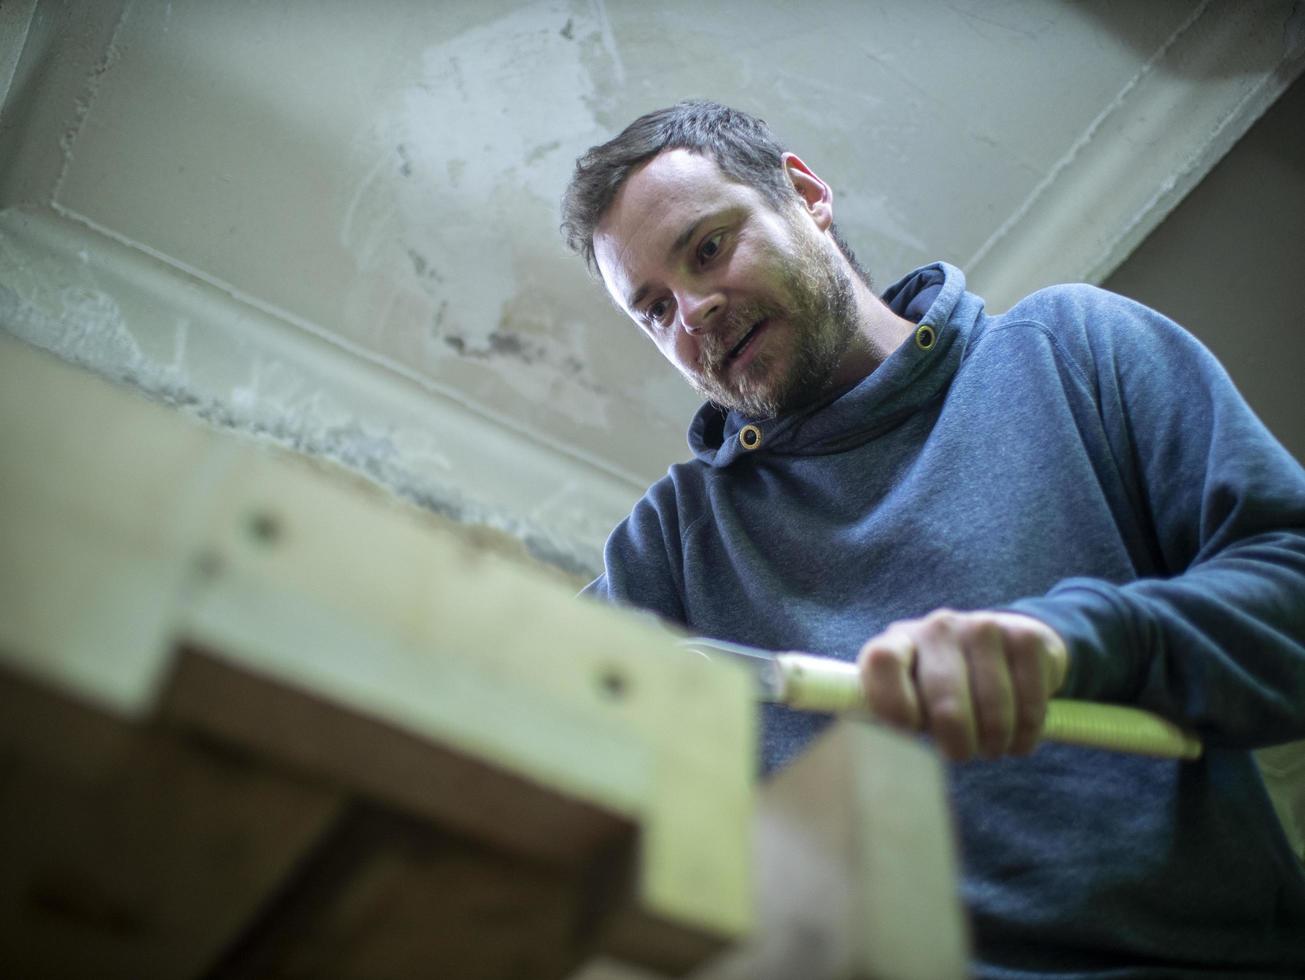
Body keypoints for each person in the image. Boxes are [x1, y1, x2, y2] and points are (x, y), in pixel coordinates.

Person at [560, 100, 1305, 977]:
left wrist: (1077, 644)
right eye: (652, 310)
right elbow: (525, 724)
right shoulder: (669, 543)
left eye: (708, 249)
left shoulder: (1071, 351)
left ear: (804, 195)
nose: (695, 315)